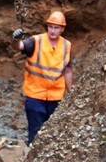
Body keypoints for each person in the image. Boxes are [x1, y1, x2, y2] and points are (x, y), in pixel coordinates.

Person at [13, 10, 73, 145]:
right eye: (50, 27)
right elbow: (19, 47)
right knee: (35, 134)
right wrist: (16, 40)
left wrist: (71, 93)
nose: (52, 31)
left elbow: (67, 71)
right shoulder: (36, 41)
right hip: (35, 96)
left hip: (55, 98)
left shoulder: (67, 46)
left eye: (56, 28)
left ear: (62, 29)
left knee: (53, 134)